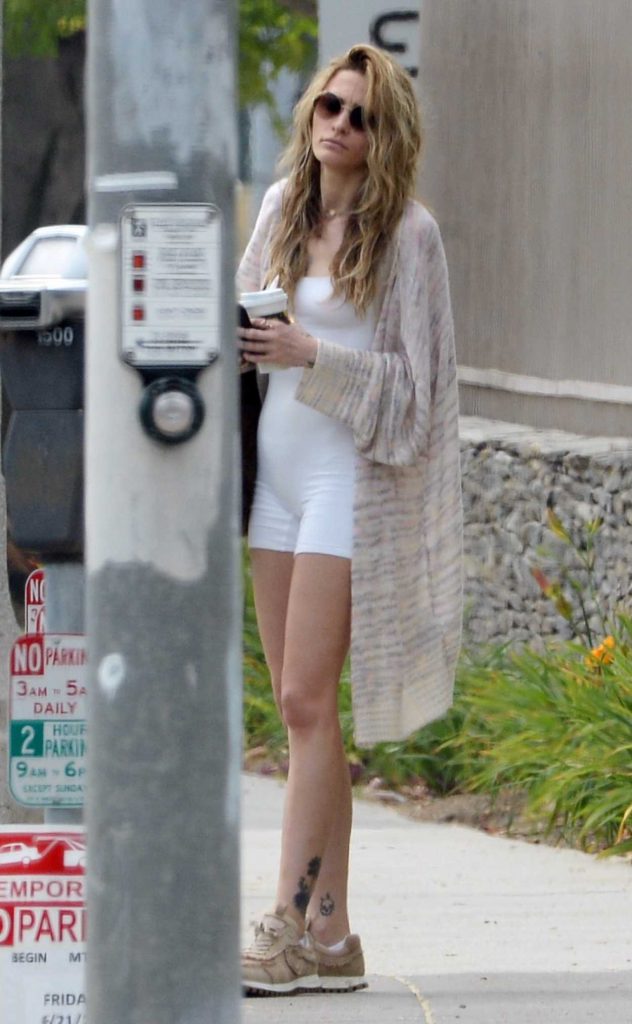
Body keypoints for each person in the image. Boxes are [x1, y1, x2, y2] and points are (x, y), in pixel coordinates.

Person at [237, 43, 462, 996]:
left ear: (387, 133)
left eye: (363, 115)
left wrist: (308, 350)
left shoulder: (409, 237)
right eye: (332, 104)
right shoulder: (282, 210)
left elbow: (417, 397)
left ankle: (287, 915)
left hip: (347, 488)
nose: (341, 123)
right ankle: (333, 938)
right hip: (274, 485)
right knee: (305, 714)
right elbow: (244, 326)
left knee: (301, 701)